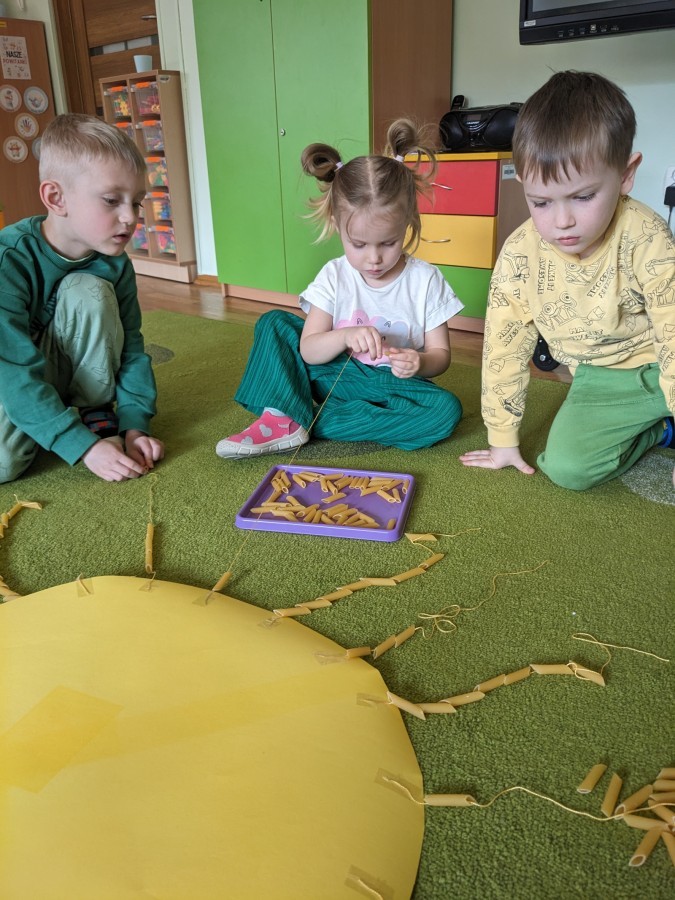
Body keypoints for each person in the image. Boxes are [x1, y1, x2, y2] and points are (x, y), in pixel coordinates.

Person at [459, 70, 675, 490]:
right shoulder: (520, 254)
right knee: (567, 469)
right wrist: (502, 437)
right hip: (602, 380)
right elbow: (504, 345)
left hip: (662, 359)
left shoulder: (646, 234)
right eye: (540, 202)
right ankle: (661, 431)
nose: (562, 222)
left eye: (583, 196)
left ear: (626, 174)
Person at [216, 118, 463, 458]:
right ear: (337, 225)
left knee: (445, 410)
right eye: (359, 244)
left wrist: (419, 363)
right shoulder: (334, 275)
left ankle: (300, 417)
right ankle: (291, 415)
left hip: (392, 387)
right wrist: (345, 336)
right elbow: (309, 351)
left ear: (408, 222)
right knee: (274, 324)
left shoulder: (426, 280)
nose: (374, 258)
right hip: (331, 374)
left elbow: (441, 356)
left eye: (388, 242)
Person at [0, 113, 164, 484]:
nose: (130, 217)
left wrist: (135, 425)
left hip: (50, 369)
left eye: (136, 203)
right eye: (112, 200)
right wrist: (82, 447)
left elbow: (132, 348)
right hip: (9, 372)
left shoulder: (114, 263)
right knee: (4, 464)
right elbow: (12, 370)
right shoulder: (8, 260)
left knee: (88, 290)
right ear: (56, 198)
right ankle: (53, 416)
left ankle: (93, 411)